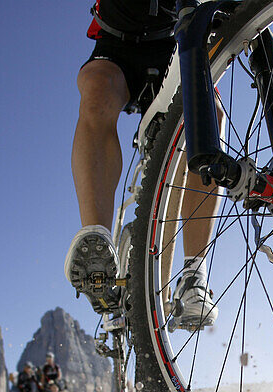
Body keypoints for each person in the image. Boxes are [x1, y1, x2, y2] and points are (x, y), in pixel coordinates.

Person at [64, 0, 220, 331]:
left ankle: (194, 274)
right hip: (117, 43)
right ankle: (98, 247)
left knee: (209, 114)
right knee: (96, 89)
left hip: (173, 41)